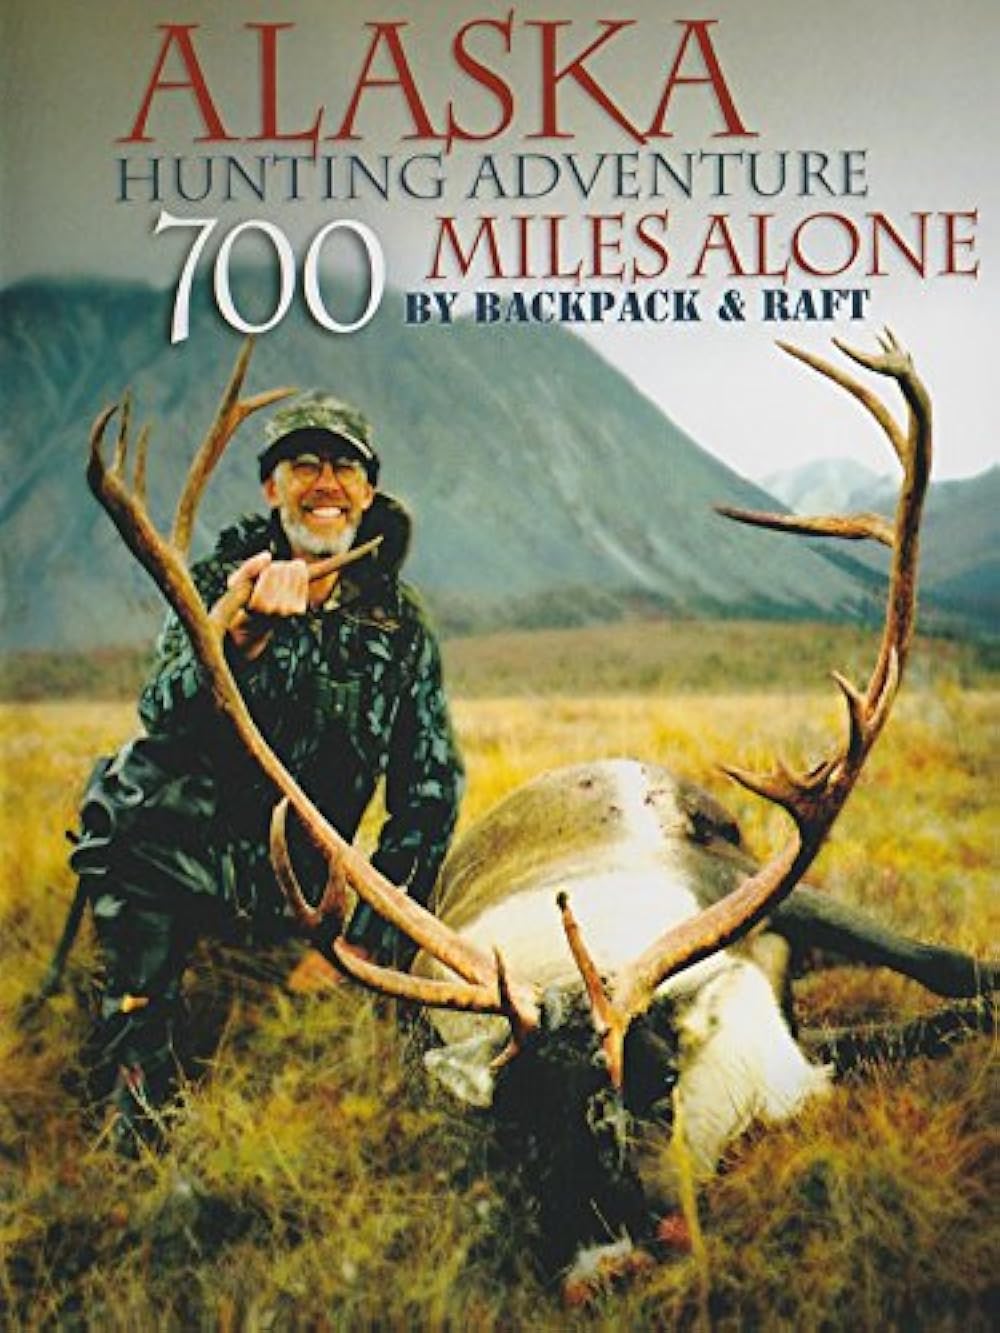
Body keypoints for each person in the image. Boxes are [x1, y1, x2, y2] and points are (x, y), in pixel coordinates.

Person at [70, 392, 464, 1152]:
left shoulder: (399, 624)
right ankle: (136, 1063)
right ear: (270, 486)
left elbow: (429, 795)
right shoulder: (216, 580)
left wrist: (363, 944)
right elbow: (161, 712)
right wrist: (236, 632)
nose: (326, 482)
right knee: (131, 791)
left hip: (311, 892)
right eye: (304, 464)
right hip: (198, 865)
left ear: (369, 491)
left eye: (345, 466)